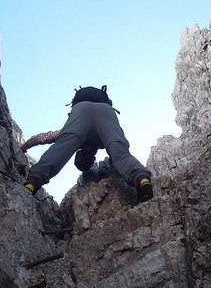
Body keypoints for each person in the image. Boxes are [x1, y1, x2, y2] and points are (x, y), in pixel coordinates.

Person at [22, 86, 153, 203]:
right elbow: (43, 138)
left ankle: (34, 180)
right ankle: (141, 178)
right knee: (119, 153)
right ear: (81, 155)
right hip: (104, 110)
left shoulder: (96, 142)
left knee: (60, 150)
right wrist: (23, 146)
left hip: (83, 109)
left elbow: (42, 138)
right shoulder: (103, 142)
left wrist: (24, 147)